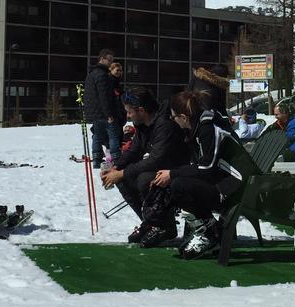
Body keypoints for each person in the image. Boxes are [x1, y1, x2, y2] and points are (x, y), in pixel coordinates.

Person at [152, 91, 250, 259]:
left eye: (173, 117)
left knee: (179, 185)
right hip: (225, 181)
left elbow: (207, 167)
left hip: (235, 186)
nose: (173, 120)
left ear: (183, 117)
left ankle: (209, 232)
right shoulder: (199, 126)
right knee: (177, 183)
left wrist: (172, 174)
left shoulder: (207, 128)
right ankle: (208, 230)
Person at [100, 87, 187, 247]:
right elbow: (135, 149)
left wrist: (123, 173)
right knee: (124, 180)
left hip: (177, 171)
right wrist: (116, 168)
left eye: (129, 112)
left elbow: (156, 160)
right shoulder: (143, 125)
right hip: (162, 168)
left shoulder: (164, 125)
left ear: (141, 110)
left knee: (143, 179)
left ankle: (164, 226)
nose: (127, 116)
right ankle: (150, 222)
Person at [84, 49, 122, 163]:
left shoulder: (91, 74)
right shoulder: (102, 75)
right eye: (109, 60)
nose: (111, 62)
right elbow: (104, 96)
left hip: (94, 112)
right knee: (113, 135)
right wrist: (108, 114)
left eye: (112, 60)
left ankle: (96, 158)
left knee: (97, 135)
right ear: (102, 59)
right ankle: (116, 159)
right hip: (103, 112)